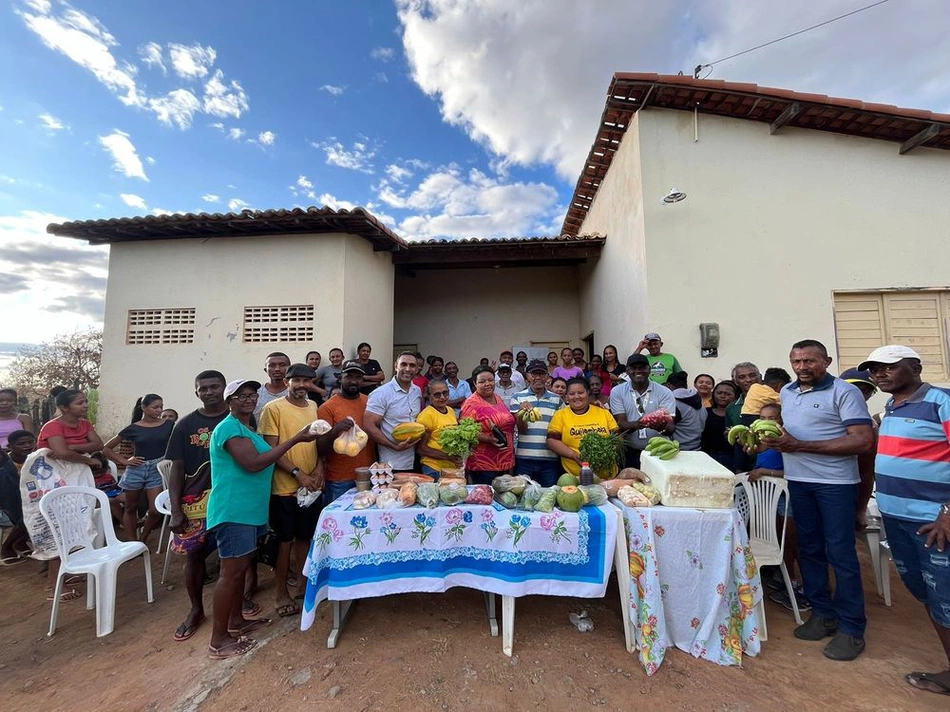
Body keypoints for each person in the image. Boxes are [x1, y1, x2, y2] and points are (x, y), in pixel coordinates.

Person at [761, 339, 874, 661]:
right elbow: (791, 433)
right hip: (799, 481)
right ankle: (823, 613)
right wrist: (770, 441)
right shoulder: (787, 393)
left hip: (835, 484)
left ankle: (852, 628)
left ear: (826, 361)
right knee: (809, 548)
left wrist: (799, 447)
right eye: (796, 362)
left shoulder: (845, 392)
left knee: (840, 553)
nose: (802, 367)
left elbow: (862, 441)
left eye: (810, 361)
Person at [855, 345, 950, 697]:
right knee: (926, 594)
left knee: (946, 598)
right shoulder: (892, 407)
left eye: (888, 368)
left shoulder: (941, 401)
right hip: (898, 519)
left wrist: (947, 513)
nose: (879, 374)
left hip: (934, 523)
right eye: (875, 369)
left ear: (915, 367)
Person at [207, 379, 319, 659]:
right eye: (240, 395)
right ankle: (218, 641)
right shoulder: (229, 428)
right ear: (228, 400)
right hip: (234, 510)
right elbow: (254, 463)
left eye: (251, 395)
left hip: (250, 510)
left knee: (241, 569)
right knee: (230, 574)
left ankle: (236, 621)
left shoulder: (246, 428)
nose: (247, 399)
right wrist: (295, 439)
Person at [166, 370, 259, 643]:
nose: (209, 392)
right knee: (195, 556)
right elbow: (177, 468)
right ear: (196, 392)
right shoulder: (184, 425)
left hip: (231, 497)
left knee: (239, 556)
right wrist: (175, 509)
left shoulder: (241, 416)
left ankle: (238, 608)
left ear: (224, 389)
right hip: (196, 500)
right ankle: (196, 610)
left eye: (214, 386)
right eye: (203, 388)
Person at [257, 363, 322, 619]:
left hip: (310, 489)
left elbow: (316, 443)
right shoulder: (273, 409)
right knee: (284, 543)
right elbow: (270, 450)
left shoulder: (314, 407)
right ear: (287, 382)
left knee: (305, 538)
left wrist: (319, 470)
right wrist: (298, 474)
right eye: (297, 381)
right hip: (284, 489)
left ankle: (303, 586)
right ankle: (281, 593)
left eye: (307, 381)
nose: (302, 386)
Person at [35, 389, 107, 601]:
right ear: (64, 407)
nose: (85, 406)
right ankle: (53, 585)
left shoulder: (84, 424)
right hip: (55, 480)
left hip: (77, 477)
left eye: (85, 402)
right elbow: (61, 453)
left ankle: (70, 570)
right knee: (62, 527)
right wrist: (87, 459)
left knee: (81, 522)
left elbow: (97, 444)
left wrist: (73, 447)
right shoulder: (53, 426)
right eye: (80, 403)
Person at [747, 403, 809, 614]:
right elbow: (754, 452)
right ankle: (789, 580)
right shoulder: (763, 442)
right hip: (769, 500)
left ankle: (808, 588)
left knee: (793, 541)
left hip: (787, 497)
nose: (767, 421)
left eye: (773, 418)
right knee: (781, 543)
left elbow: (793, 471)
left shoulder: (785, 443)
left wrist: (765, 471)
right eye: (763, 417)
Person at [103, 394, 174, 543]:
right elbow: (107, 448)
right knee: (130, 507)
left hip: (157, 468)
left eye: (161, 406)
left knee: (155, 510)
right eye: (155, 407)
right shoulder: (133, 428)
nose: (159, 410)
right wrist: (124, 460)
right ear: (143, 408)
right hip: (137, 469)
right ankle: (131, 542)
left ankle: (143, 538)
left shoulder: (168, 425)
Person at [317, 360, 376, 503]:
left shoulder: (370, 402)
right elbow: (320, 447)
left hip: (369, 475)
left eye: (358, 377)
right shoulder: (327, 408)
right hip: (339, 478)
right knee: (338, 523)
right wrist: (336, 430)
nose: (353, 381)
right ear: (340, 378)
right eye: (349, 376)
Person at [609, 354, 676, 468]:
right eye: (634, 368)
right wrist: (637, 424)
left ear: (649, 369)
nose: (638, 371)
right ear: (627, 370)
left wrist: (660, 426)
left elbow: (671, 428)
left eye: (642, 367)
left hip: (658, 452)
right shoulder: (617, 391)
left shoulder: (665, 392)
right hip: (629, 452)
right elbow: (620, 424)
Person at [547, 378, 619, 479]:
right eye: (572, 394)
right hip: (574, 476)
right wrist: (573, 455)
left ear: (588, 393)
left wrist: (606, 453)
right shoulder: (561, 415)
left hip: (607, 475)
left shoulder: (603, 412)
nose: (576, 397)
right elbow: (551, 440)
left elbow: (617, 437)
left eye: (580, 392)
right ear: (566, 396)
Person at [364, 352, 423, 473]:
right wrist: (394, 446)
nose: (408, 369)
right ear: (396, 366)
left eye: (412, 365)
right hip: (392, 461)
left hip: (416, 458)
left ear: (417, 369)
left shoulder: (417, 391)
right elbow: (368, 425)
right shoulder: (381, 393)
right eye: (403, 364)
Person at [510, 359, 564, 487]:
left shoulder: (557, 400)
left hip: (550, 458)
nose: (538, 378)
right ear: (528, 376)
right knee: (523, 498)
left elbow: (562, 426)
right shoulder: (517, 397)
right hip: (524, 458)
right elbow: (522, 429)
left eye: (541, 374)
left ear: (547, 377)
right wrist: (522, 413)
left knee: (548, 497)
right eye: (534, 374)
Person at [460, 366, 516, 485]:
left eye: (490, 380)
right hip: (483, 464)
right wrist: (488, 439)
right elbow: (465, 431)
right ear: (475, 383)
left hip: (505, 460)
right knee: (487, 498)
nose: (487, 384)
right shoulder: (470, 404)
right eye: (482, 381)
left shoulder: (498, 398)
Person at [0, 430, 34, 563]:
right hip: (9, 503)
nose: (27, 446)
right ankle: (6, 547)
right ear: (10, 447)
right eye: (21, 444)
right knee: (27, 515)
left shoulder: (36, 460)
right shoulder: (4, 466)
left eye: (30, 442)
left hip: (29, 500)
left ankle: (20, 543)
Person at [416, 380, 461, 478]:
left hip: (450, 469)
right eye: (437, 395)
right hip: (433, 469)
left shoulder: (450, 411)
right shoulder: (426, 415)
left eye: (445, 393)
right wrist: (448, 457)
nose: (442, 397)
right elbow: (421, 449)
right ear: (429, 396)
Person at [701, 381, 739, 470]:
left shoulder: (738, 414)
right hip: (707, 456)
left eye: (728, 394)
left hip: (731, 458)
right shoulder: (705, 412)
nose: (722, 396)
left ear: (735, 396)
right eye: (719, 393)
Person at [254, 352, 290, 421]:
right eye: (272, 365)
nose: (277, 369)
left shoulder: (296, 392)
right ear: (265, 370)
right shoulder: (256, 393)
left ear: (290, 368)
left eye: (282, 365)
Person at [725, 362, 761, 428]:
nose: (748, 380)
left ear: (760, 377)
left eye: (752, 375)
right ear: (735, 381)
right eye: (742, 377)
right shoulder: (731, 408)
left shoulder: (773, 400)